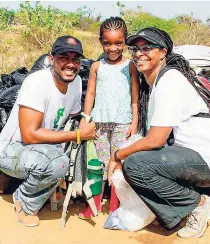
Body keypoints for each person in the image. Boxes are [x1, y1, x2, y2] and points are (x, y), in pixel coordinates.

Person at [108, 27, 210, 238]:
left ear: (163, 52)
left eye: (147, 48)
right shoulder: (156, 82)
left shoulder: (170, 80)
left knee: (136, 164)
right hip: (192, 155)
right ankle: (185, 203)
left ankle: (198, 205)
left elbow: (156, 140)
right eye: (135, 49)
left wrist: (117, 155)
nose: (139, 54)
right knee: (139, 159)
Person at [0, 35, 96, 227]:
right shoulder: (37, 82)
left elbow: (71, 119)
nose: (70, 64)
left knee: (75, 153)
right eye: (64, 58)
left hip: (43, 149)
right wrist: (79, 134)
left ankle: (49, 184)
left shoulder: (76, 83)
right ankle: (24, 202)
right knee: (58, 163)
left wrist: (83, 124)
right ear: (51, 58)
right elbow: (30, 135)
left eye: (75, 59)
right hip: (12, 150)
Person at [78, 17, 140, 219]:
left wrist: (134, 122)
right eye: (107, 43)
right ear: (100, 42)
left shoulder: (130, 66)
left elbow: (134, 98)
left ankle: (115, 206)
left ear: (125, 42)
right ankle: (94, 204)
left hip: (123, 123)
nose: (113, 48)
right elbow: (91, 94)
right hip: (100, 122)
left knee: (118, 162)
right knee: (99, 163)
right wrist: (86, 117)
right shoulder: (97, 66)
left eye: (118, 43)